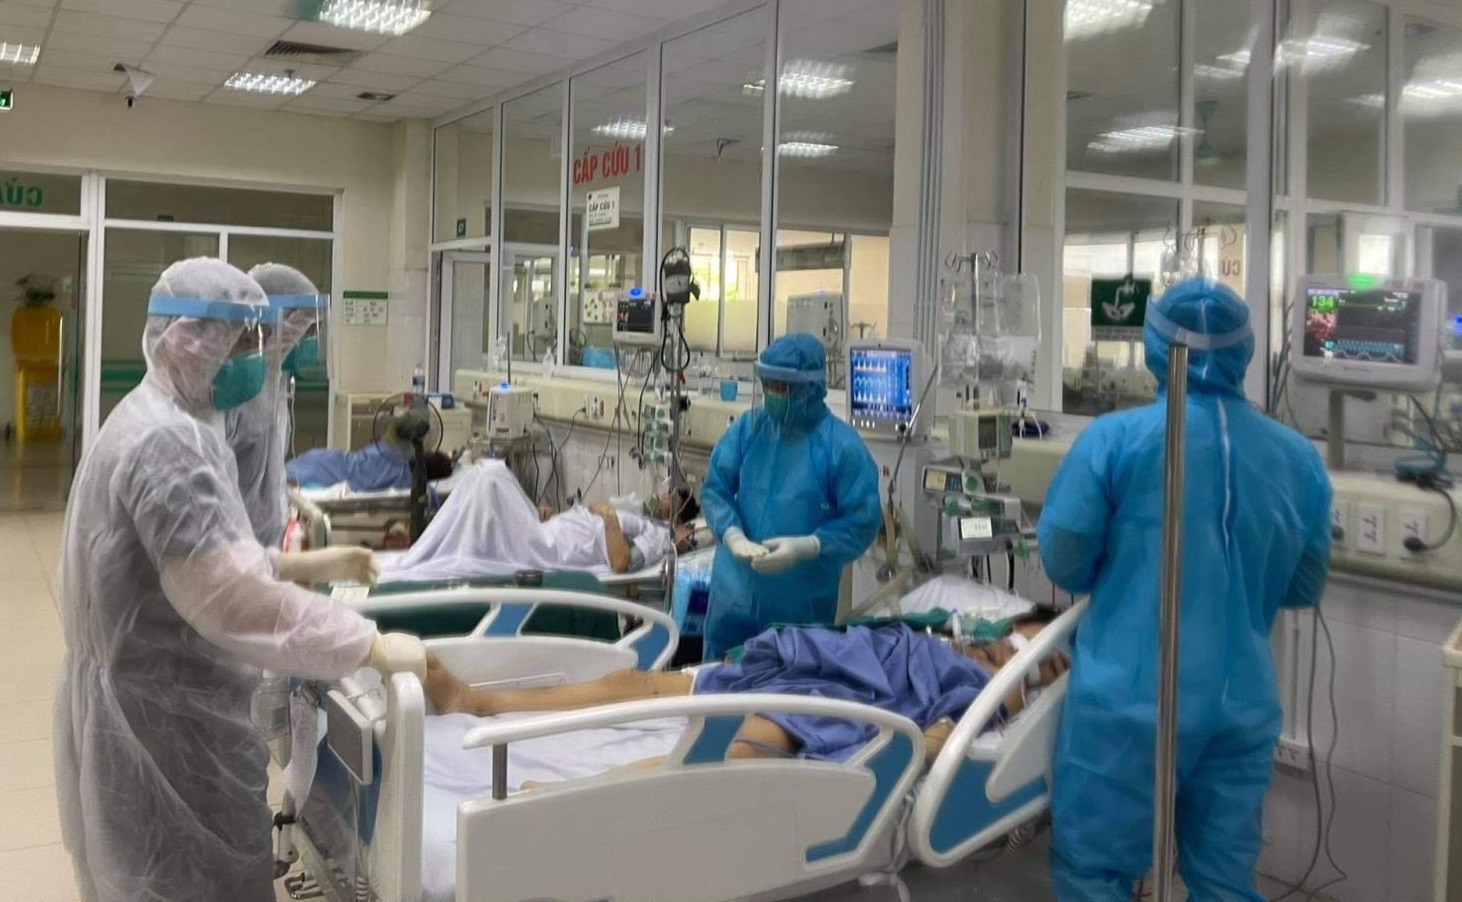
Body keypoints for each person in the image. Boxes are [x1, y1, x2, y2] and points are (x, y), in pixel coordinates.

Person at [53, 258, 430, 902]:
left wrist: (306, 565)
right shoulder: (169, 446)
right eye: (245, 341)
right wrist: (365, 643)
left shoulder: (148, 419)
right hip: (169, 724)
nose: (258, 356)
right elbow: (233, 602)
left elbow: (207, 562)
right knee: (192, 877)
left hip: (141, 704)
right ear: (191, 338)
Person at [1037, 277, 1332, 901]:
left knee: (1095, 873)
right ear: (1244, 350)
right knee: (1223, 880)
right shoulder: (1299, 459)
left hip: (1129, 703)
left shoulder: (1115, 441)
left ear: (1155, 347)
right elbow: (1304, 585)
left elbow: (1065, 561)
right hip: (1239, 705)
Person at [424, 612, 1066, 765]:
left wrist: (900, 752)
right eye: (1001, 643)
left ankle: (569, 798)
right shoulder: (934, 637)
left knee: (742, 744)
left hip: (846, 702)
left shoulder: (988, 690)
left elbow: (939, 738)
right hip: (803, 665)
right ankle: (478, 700)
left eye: (1029, 659)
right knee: (638, 683)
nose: (1005, 654)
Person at [701, 332, 882, 659]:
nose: (771, 393)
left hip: (798, 615)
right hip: (733, 599)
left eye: (780, 386)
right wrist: (732, 534)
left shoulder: (841, 448)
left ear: (808, 388)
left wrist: (810, 546)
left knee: (787, 687)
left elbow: (862, 521)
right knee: (718, 681)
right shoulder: (750, 428)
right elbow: (716, 489)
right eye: (767, 384)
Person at [377, 460, 699, 582]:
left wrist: (610, 516)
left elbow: (621, 563)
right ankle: (437, 551)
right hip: (548, 529)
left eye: (671, 495)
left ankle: (444, 553)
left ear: (677, 512)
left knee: (491, 477)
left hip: (550, 549)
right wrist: (554, 516)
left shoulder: (658, 536)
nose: (662, 494)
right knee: (484, 477)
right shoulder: (640, 516)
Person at [226, 263, 325, 547]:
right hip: (240, 540)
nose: (308, 340)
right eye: (305, 328)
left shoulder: (275, 382)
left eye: (313, 330)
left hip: (264, 540)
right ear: (273, 322)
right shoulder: (243, 388)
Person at [287, 441, 455, 491]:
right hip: (329, 473)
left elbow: (371, 449)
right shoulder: (406, 483)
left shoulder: (390, 450)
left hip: (327, 458)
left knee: (286, 474)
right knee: (288, 479)